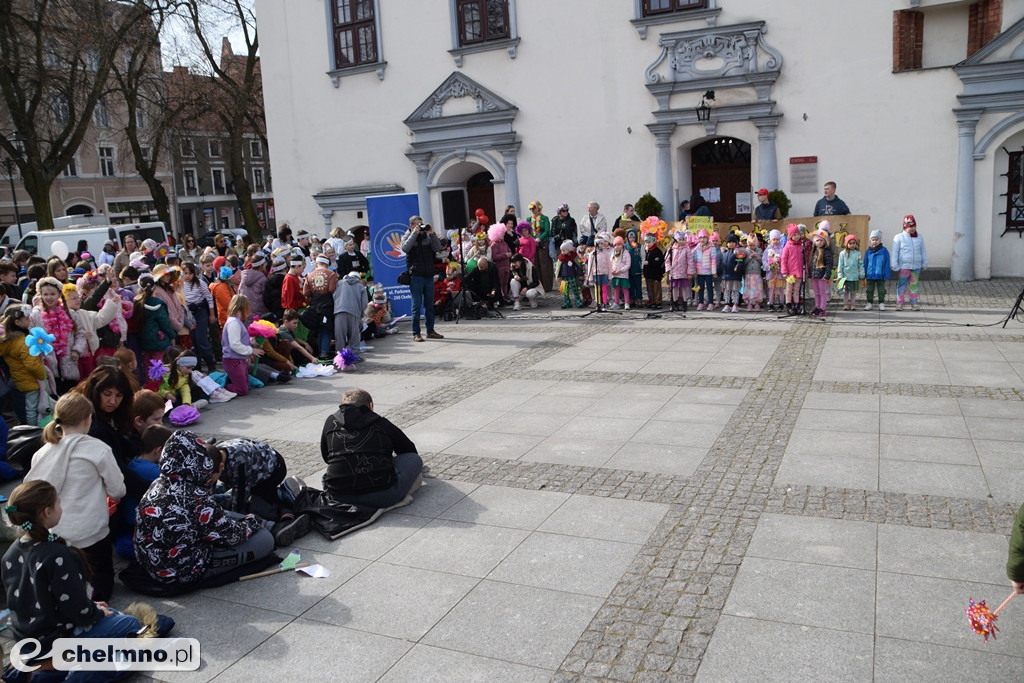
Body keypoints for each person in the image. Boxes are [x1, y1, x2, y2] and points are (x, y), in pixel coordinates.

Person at [3, 480, 174, 678]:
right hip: (58, 640)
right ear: (47, 512)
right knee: (130, 624)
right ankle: (67, 667)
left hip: (27, 641)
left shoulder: (11, 554)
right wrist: (96, 612)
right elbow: (78, 611)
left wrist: (91, 607)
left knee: (110, 614)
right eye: (58, 502)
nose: (61, 506)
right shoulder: (57, 555)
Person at [134, 430, 277, 587]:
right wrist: (253, 522)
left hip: (151, 564)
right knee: (264, 540)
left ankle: (264, 524)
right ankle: (268, 525)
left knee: (222, 516)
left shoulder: (158, 482)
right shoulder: (194, 497)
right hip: (181, 570)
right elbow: (232, 535)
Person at [26, 393, 125, 601]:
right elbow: (118, 490)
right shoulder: (98, 449)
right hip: (92, 532)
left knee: (68, 572)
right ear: (88, 418)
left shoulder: (41, 453)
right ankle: (96, 601)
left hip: (57, 532)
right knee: (102, 574)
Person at [319, 388, 422, 509]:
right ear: (371, 406)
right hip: (382, 496)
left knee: (331, 471)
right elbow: (408, 450)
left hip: (338, 497)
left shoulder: (331, 422)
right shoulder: (381, 423)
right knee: (414, 459)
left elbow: (326, 456)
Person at [209, 438, 289, 518]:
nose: (209, 480)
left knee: (255, 503)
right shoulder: (215, 454)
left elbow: (240, 499)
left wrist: (233, 517)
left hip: (274, 470)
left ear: (221, 466)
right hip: (253, 464)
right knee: (227, 487)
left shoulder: (238, 463)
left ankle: (280, 497)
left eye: (211, 477)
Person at [0, 305, 46, 427]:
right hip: (29, 381)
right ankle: (32, 431)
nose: (29, 320)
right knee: (32, 410)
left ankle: (24, 425)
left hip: (17, 378)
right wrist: (43, 375)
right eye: (26, 318)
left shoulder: (7, 341)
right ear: (17, 322)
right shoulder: (23, 341)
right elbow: (31, 364)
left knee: (22, 407)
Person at [401, 216, 444, 342]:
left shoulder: (427, 236)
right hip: (416, 275)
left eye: (421, 224)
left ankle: (430, 331)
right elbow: (405, 248)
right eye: (418, 224)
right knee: (416, 306)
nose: (420, 226)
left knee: (429, 305)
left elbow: (437, 248)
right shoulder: (407, 235)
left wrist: (432, 233)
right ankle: (416, 333)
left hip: (428, 275)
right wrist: (415, 233)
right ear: (411, 225)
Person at [221, 294, 260, 396]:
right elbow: (235, 344)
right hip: (233, 360)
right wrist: (251, 350)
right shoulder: (234, 323)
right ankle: (219, 385)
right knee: (242, 390)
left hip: (238, 360)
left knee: (245, 386)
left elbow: (237, 341)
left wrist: (250, 343)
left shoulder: (236, 321)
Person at [182, 261, 217, 373]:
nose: (187, 276)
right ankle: (196, 364)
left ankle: (210, 362)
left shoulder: (200, 283)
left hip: (200, 311)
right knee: (193, 340)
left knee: (201, 338)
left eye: (190, 273)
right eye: (185, 273)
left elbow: (209, 298)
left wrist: (211, 314)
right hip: (188, 313)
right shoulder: (179, 284)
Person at [302, 255, 338, 358]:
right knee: (326, 329)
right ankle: (323, 353)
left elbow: (306, 292)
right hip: (327, 304)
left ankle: (320, 353)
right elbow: (332, 290)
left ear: (317, 264)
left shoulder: (309, 275)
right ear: (327, 264)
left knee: (318, 329)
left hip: (314, 304)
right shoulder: (331, 274)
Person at [891, 214, 927, 311]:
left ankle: (914, 302)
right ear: (904, 227)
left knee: (914, 285)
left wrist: (924, 263)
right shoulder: (899, 237)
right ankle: (899, 303)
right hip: (904, 266)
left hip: (916, 266)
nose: (912, 229)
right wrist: (894, 264)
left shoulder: (919, 237)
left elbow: (923, 250)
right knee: (902, 285)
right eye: (910, 227)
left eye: (914, 226)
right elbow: (895, 251)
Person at [334, 270, 368, 356]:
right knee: (354, 336)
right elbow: (364, 303)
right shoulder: (360, 286)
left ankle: (340, 356)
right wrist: (361, 313)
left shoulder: (339, 283)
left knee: (340, 335)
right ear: (358, 278)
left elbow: (333, 295)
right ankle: (354, 355)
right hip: (354, 312)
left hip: (339, 310)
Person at [527, 201, 553, 290]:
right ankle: (538, 285)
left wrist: (539, 239)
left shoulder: (544, 218)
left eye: (534, 208)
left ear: (538, 208)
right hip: (533, 243)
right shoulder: (529, 219)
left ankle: (547, 286)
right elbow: (528, 230)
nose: (532, 210)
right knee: (536, 264)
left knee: (544, 264)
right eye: (531, 209)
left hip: (543, 242)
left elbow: (546, 230)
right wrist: (533, 239)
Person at [807, 230, 833, 317]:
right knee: (816, 293)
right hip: (815, 275)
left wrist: (827, 275)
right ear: (814, 242)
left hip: (822, 276)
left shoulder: (826, 251)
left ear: (825, 241)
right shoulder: (814, 251)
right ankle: (817, 307)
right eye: (817, 240)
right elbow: (812, 264)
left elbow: (829, 264)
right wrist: (810, 273)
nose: (819, 242)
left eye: (821, 240)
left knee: (822, 292)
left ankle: (822, 308)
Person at [781, 224, 806, 314]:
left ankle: (796, 305)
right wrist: (784, 271)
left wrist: (805, 270)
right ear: (791, 236)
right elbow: (783, 259)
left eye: (798, 234)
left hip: (798, 272)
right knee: (788, 290)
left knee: (796, 290)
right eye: (794, 235)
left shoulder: (801, 246)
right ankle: (788, 306)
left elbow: (804, 260)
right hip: (790, 273)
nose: (797, 237)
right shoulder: (787, 246)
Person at [863, 230, 891, 311]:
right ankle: (869, 303)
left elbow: (886, 263)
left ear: (880, 240)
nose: (874, 241)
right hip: (870, 274)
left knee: (881, 289)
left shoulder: (884, 251)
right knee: (870, 289)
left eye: (876, 239)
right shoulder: (868, 251)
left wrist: (886, 274)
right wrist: (863, 273)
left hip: (880, 274)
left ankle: (881, 303)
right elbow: (865, 263)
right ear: (870, 241)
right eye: (873, 239)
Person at [836, 235, 865, 311]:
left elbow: (861, 264)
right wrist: (840, 275)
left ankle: (852, 304)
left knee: (853, 292)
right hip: (845, 277)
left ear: (856, 244)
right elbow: (840, 265)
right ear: (846, 244)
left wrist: (862, 274)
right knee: (845, 292)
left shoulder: (858, 254)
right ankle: (845, 304)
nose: (852, 245)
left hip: (854, 276)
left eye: (854, 243)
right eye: (850, 243)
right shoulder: (842, 254)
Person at [665, 230, 692, 312]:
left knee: (684, 288)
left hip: (683, 272)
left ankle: (684, 303)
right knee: (674, 288)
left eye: (683, 239)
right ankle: (675, 304)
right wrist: (668, 270)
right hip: (674, 273)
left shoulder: (686, 248)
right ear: (676, 239)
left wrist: (690, 272)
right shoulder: (672, 249)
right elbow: (667, 260)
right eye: (680, 239)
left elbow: (690, 261)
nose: (682, 241)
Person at [691, 230, 717, 311]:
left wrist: (714, 272)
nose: (702, 239)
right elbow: (694, 260)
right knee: (700, 288)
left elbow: (714, 260)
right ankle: (701, 302)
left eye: (704, 237)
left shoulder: (712, 247)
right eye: (701, 237)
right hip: (699, 272)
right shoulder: (697, 248)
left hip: (708, 272)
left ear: (708, 238)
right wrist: (694, 271)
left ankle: (711, 303)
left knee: (709, 287)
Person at [239, 252, 270, 320]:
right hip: (259, 311)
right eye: (265, 263)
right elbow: (266, 297)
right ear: (261, 265)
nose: (266, 264)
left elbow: (239, 291)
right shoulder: (262, 279)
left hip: (245, 310)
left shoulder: (244, 277)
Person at [556, 241, 585, 309]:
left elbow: (578, 266)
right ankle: (567, 302)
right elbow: (558, 267)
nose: (562, 252)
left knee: (575, 289)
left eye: (564, 250)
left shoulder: (574, 257)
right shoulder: (561, 258)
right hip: (564, 277)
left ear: (568, 250)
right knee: (565, 290)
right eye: (561, 251)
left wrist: (580, 274)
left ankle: (578, 301)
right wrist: (558, 276)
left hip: (572, 275)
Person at [719, 233, 743, 313]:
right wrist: (720, 272)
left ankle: (735, 304)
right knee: (727, 291)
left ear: (736, 243)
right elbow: (721, 263)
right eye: (729, 242)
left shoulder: (737, 252)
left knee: (735, 291)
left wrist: (738, 267)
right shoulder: (724, 253)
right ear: (727, 243)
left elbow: (740, 262)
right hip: (726, 276)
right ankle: (727, 304)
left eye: (733, 242)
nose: (731, 244)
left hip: (735, 275)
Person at [764, 229, 785, 311]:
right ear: (770, 240)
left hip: (779, 272)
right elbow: (764, 260)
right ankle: (771, 303)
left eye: (777, 239)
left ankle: (781, 303)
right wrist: (769, 266)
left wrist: (779, 264)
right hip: (771, 273)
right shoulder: (767, 250)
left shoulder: (782, 249)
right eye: (774, 239)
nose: (776, 241)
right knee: (771, 288)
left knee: (780, 288)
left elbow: (784, 259)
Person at [642, 233, 665, 309]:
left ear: (653, 242)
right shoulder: (647, 251)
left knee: (656, 288)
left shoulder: (657, 251)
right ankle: (653, 301)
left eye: (649, 242)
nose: (647, 244)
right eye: (646, 242)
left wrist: (649, 263)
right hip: (649, 274)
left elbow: (658, 262)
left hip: (656, 274)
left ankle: (658, 302)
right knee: (650, 289)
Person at [743, 232, 765, 311]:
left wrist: (758, 257)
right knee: (749, 288)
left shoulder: (759, 251)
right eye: (750, 245)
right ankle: (749, 303)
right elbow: (743, 262)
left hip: (757, 273)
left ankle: (757, 303)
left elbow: (762, 262)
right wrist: (749, 257)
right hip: (748, 273)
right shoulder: (745, 251)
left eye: (753, 245)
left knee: (757, 289)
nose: (752, 247)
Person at [609, 236, 631, 310]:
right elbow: (610, 263)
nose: (617, 246)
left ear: (622, 245)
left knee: (625, 288)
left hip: (623, 275)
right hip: (615, 275)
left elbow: (628, 264)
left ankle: (627, 303)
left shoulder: (626, 253)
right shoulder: (613, 254)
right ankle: (616, 302)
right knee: (616, 289)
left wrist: (621, 270)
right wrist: (612, 270)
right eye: (616, 245)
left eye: (619, 244)